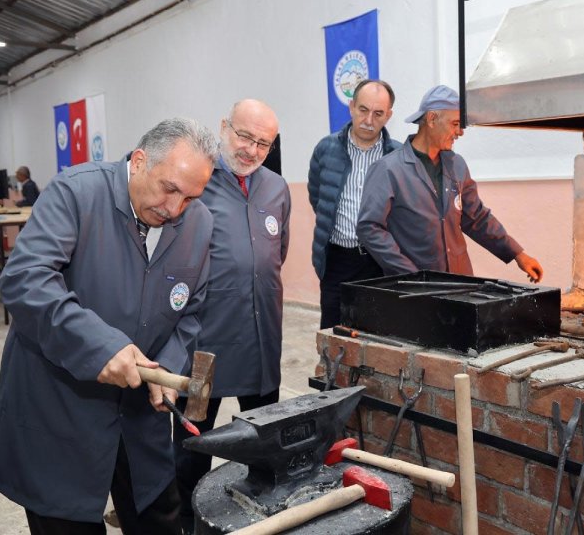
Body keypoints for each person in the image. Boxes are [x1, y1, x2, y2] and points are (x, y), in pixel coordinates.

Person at [0, 118, 219, 535]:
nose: (174, 209)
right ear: (140, 161)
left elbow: (192, 311)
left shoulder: (198, 223)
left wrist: (165, 367)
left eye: (190, 197)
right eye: (169, 189)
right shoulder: (76, 193)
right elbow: (26, 279)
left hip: (139, 420)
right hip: (60, 408)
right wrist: (99, 345)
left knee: (159, 519)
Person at [172, 100, 289, 535]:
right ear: (224, 127)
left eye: (263, 142)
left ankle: (258, 511)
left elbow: (276, 254)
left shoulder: (277, 188)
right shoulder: (198, 181)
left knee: (264, 435)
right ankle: (186, 519)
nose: (252, 149)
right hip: (204, 345)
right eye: (244, 136)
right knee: (193, 437)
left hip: (261, 338)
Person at [357, 85, 544, 282]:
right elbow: (369, 227)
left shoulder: (457, 165)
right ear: (431, 119)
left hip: (460, 283)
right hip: (413, 290)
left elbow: (477, 218)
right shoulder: (388, 169)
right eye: (455, 123)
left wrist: (517, 254)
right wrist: (409, 274)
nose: (460, 132)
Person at [308, 79, 400, 329]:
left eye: (378, 113)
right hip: (337, 261)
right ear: (351, 107)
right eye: (363, 110)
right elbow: (318, 198)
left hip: (380, 263)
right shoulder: (325, 149)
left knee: (380, 334)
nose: (369, 120)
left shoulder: (398, 156)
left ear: (388, 115)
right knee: (333, 335)